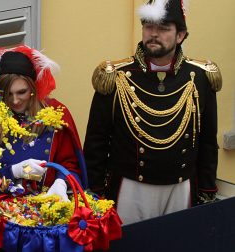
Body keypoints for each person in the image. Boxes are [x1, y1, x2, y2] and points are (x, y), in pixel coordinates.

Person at [84, 0, 222, 225]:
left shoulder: (200, 77)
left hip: (180, 188)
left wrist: (206, 191)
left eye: (164, 28)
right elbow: (96, 143)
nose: (154, 34)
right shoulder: (115, 77)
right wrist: (96, 192)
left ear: (181, 35)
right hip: (130, 190)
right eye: (149, 26)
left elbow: (207, 142)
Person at [0, 45, 88, 202]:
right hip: (3, 215)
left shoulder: (55, 113)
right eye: (8, 94)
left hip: (50, 207)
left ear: (33, 88)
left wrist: (61, 182)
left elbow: (71, 165)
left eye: (21, 92)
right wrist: (13, 172)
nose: (15, 101)